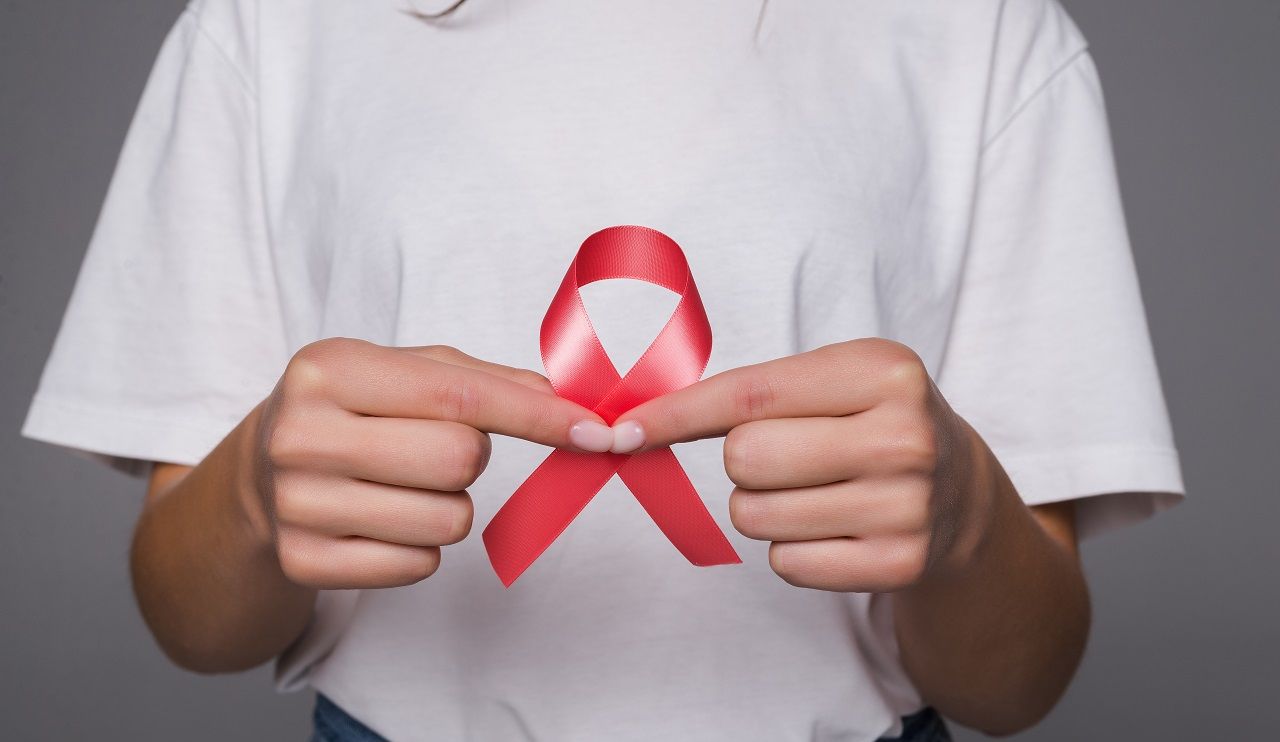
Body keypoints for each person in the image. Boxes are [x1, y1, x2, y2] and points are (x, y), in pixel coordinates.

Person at [22, 0, 1185, 740]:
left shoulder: (985, 33)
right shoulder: (267, 27)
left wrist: (969, 517)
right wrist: (245, 496)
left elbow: (1016, 688)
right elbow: (189, 620)